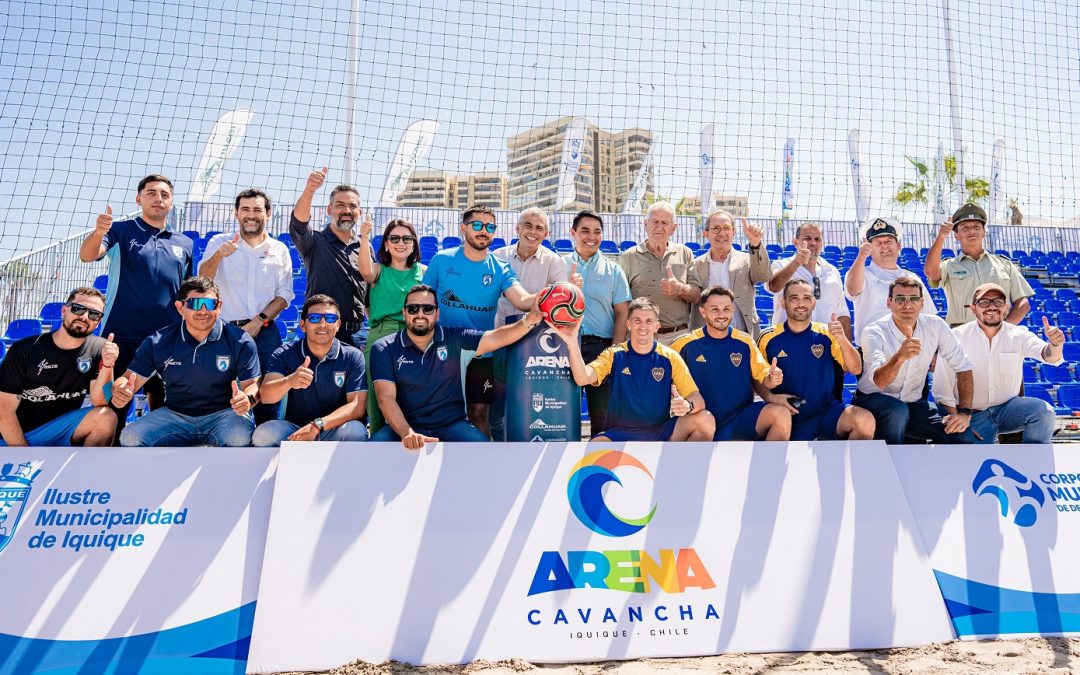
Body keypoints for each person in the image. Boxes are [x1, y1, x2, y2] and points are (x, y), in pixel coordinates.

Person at [368, 284, 545, 449]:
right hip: (402, 427)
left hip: (451, 426)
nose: (420, 314)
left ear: (437, 313)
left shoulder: (455, 339)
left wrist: (530, 320)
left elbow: (497, 337)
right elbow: (386, 398)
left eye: (427, 309)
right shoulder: (384, 347)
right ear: (404, 313)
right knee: (373, 451)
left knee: (483, 451)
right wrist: (407, 433)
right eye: (413, 309)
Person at [78, 174, 194, 412]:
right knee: (113, 409)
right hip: (121, 335)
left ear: (171, 202)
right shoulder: (120, 230)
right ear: (138, 199)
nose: (158, 199)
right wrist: (99, 232)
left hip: (166, 338)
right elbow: (87, 256)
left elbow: (187, 291)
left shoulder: (185, 243)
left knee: (163, 410)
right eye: (151, 193)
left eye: (165, 195)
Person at [421, 205, 535, 436]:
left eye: (490, 227)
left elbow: (522, 300)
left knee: (479, 412)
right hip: (442, 349)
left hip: (481, 350)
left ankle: (483, 466)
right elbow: (423, 301)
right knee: (438, 412)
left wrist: (557, 293)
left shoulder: (501, 268)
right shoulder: (441, 260)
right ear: (464, 228)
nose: (484, 231)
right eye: (477, 225)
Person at [113, 276, 260, 447]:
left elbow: (254, 385)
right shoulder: (158, 341)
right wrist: (121, 388)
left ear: (219, 307)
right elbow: (129, 378)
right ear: (180, 307)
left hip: (224, 415)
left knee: (239, 437)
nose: (203, 311)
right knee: (131, 437)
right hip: (175, 415)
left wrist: (247, 399)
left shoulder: (240, 340)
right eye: (195, 304)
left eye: (210, 304)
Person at [552, 297, 715, 442]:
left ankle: (677, 470)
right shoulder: (614, 354)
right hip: (621, 433)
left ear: (657, 326)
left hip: (660, 432)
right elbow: (583, 378)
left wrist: (687, 405)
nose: (642, 326)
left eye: (648, 321)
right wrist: (572, 342)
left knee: (705, 421)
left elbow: (697, 398)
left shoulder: (670, 357)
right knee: (596, 446)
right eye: (637, 320)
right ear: (628, 324)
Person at [199, 188, 294, 424]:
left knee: (265, 396)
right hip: (224, 332)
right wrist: (219, 256)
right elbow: (203, 280)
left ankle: (263, 442)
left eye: (257, 210)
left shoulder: (279, 249)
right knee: (221, 394)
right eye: (245, 210)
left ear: (268, 214)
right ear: (236, 213)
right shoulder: (219, 242)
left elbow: (284, 294)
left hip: (265, 332)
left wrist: (259, 321)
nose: (251, 215)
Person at [932, 283, 1063, 444]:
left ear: (1006, 307)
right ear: (973, 308)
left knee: (1044, 412)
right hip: (972, 415)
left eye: (998, 302)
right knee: (970, 463)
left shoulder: (1018, 334)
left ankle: (1031, 464)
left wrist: (1055, 345)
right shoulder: (955, 337)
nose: (992, 306)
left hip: (1007, 410)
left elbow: (1048, 356)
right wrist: (958, 417)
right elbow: (942, 389)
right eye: (984, 302)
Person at [853, 277, 976, 445]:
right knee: (897, 411)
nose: (907, 305)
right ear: (889, 302)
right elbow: (879, 382)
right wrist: (900, 356)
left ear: (922, 302)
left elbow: (963, 367)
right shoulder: (874, 331)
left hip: (913, 405)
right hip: (873, 401)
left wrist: (964, 413)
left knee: (962, 435)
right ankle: (886, 466)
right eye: (900, 299)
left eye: (914, 299)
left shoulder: (936, 325)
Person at [758, 279, 875, 441]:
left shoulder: (827, 333)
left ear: (813, 303)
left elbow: (855, 369)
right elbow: (755, 379)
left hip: (827, 412)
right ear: (783, 303)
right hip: (787, 416)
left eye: (806, 298)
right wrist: (770, 396)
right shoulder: (767, 337)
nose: (801, 303)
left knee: (864, 421)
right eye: (794, 298)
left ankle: (849, 466)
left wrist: (842, 339)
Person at [0, 287, 118, 446]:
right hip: (16, 435)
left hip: (60, 431)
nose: (84, 317)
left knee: (106, 417)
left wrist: (108, 365)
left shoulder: (99, 349)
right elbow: (3, 411)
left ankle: (88, 471)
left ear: (98, 322)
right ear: (64, 311)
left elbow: (100, 401)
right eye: (77, 309)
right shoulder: (25, 350)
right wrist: (24, 454)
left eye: (94, 314)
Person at [674, 287, 791, 441]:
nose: (721, 315)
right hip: (702, 418)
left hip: (740, 418)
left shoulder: (745, 341)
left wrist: (773, 377)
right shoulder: (684, 344)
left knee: (781, 415)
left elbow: (765, 378)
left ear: (733, 310)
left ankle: (767, 465)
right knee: (702, 420)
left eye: (726, 309)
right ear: (703, 312)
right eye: (715, 309)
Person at [252, 295, 368, 446]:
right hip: (295, 431)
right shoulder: (285, 352)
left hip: (332, 428)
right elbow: (266, 396)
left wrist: (317, 425)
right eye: (314, 318)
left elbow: (357, 407)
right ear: (302, 325)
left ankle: (343, 470)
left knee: (355, 431)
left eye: (330, 318)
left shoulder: (352, 356)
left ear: (338, 325)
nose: (322, 324)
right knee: (263, 434)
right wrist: (289, 381)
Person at [564, 210, 631, 436]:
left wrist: (614, 350)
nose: (591, 236)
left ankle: (598, 464)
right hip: (564, 347)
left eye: (597, 232)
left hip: (601, 349)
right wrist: (566, 285)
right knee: (562, 411)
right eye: (584, 231)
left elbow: (622, 313)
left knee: (601, 415)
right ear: (573, 233)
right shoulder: (559, 265)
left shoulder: (614, 270)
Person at [357, 215, 424, 434]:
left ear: (414, 243)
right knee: (376, 393)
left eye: (407, 238)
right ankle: (376, 436)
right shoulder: (378, 270)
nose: (400, 243)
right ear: (386, 243)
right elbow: (365, 272)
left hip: (413, 337)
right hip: (380, 335)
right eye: (394, 238)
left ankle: (412, 436)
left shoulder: (423, 272)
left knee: (411, 392)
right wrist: (364, 236)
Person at [290, 166, 368, 348]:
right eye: (340, 205)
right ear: (329, 209)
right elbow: (299, 224)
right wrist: (310, 190)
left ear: (360, 212)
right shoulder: (314, 241)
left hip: (357, 336)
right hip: (322, 332)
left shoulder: (365, 247)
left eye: (352, 206)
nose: (347, 210)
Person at [925, 203, 1033, 326]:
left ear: (983, 232)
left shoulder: (1005, 264)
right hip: (962, 334)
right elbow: (930, 272)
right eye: (965, 228)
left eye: (976, 227)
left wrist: (1004, 330)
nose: (972, 231)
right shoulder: (949, 266)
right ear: (956, 235)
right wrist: (941, 236)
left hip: (1000, 333)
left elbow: (1023, 304)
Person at [618, 201, 701, 345]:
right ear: (645, 224)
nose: (659, 227)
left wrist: (679, 288)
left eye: (665, 223)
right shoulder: (629, 256)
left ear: (673, 228)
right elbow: (620, 303)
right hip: (642, 336)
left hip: (678, 337)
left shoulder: (685, 253)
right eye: (655, 221)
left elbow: (696, 295)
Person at [844, 216, 936, 341]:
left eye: (889, 241)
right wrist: (862, 256)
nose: (885, 247)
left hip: (910, 347)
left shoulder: (913, 278)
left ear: (898, 245)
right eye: (879, 243)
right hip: (874, 348)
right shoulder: (863, 274)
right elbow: (852, 290)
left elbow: (929, 317)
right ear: (870, 248)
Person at [689, 211, 772, 340]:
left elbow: (764, 276)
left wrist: (755, 244)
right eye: (715, 228)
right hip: (706, 341)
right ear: (706, 233)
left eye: (727, 228)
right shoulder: (695, 265)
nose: (722, 233)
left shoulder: (747, 260)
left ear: (734, 232)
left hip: (743, 337)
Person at [767, 222, 852, 340]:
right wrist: (796, 263)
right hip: (788, 343)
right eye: (807, 238)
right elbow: (773, 287)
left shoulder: (832, 271)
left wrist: (846, 350)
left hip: (826, 346)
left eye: (818, 239)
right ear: (795, 243)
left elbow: (842, 314)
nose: (813, 243)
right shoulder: (781, 265)